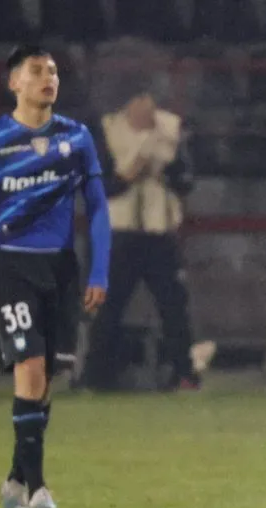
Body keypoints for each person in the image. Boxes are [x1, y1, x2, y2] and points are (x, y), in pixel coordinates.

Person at [0, 44, 112, 508]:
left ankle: (15, 479)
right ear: (14, 82)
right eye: (37, 71)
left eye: (54, 71)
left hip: (61, 267)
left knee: (46, 380)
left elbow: (98, 208)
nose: (49, 78)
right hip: (14, 265)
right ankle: (39, 488)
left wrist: (98, 270)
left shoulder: (76, 138)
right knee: (30, 369)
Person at [82, 85, 199, 391]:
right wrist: (127, 174)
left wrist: (167, 169)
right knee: (108, 306)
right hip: (120, 234)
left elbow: (186, 180)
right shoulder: (107, 131)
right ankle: (96, 375)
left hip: (159, 233)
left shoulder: (172, 131)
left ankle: (183, 372)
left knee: (173, 307)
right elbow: (100, 186)